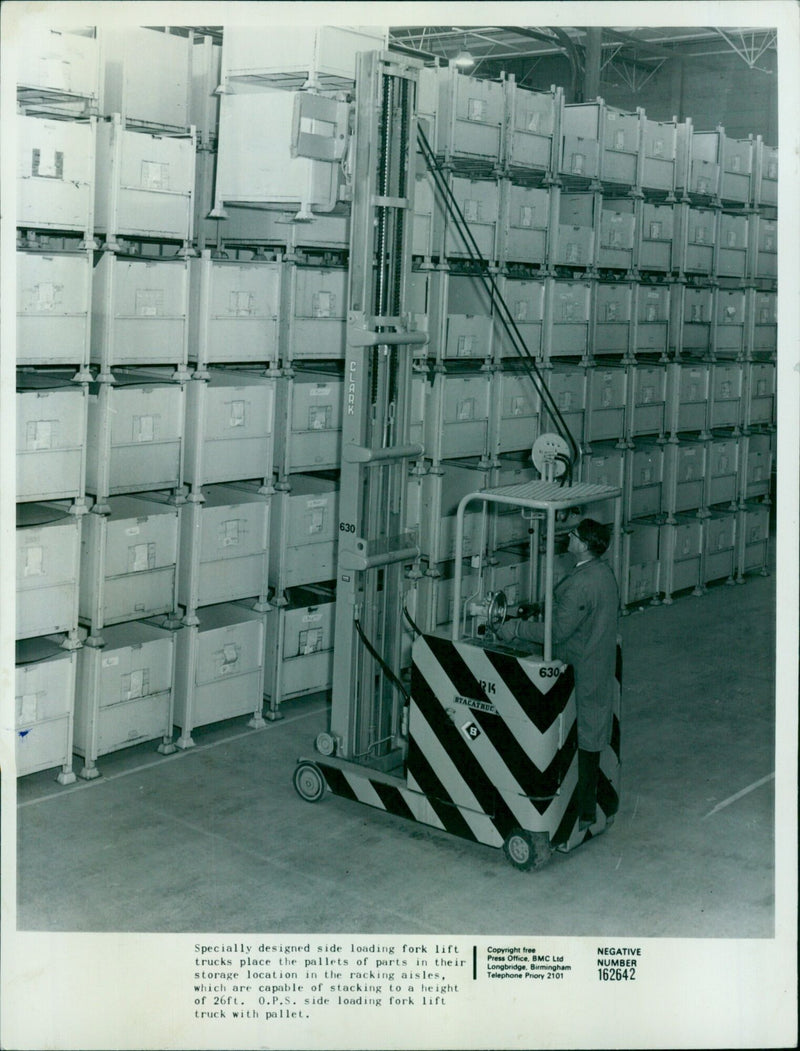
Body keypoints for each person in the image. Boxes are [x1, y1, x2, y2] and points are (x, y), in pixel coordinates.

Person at [496, 518, 619, 831]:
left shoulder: (582, 582)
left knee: (585, 737)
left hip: (581, 664)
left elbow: (558, 632)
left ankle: (583, 811)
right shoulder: (601, 572)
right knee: (591, 733)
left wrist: (516, 629)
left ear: (585, 543)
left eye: (574, 535)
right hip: (596, 658)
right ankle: (589, 809)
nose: (569, 538)